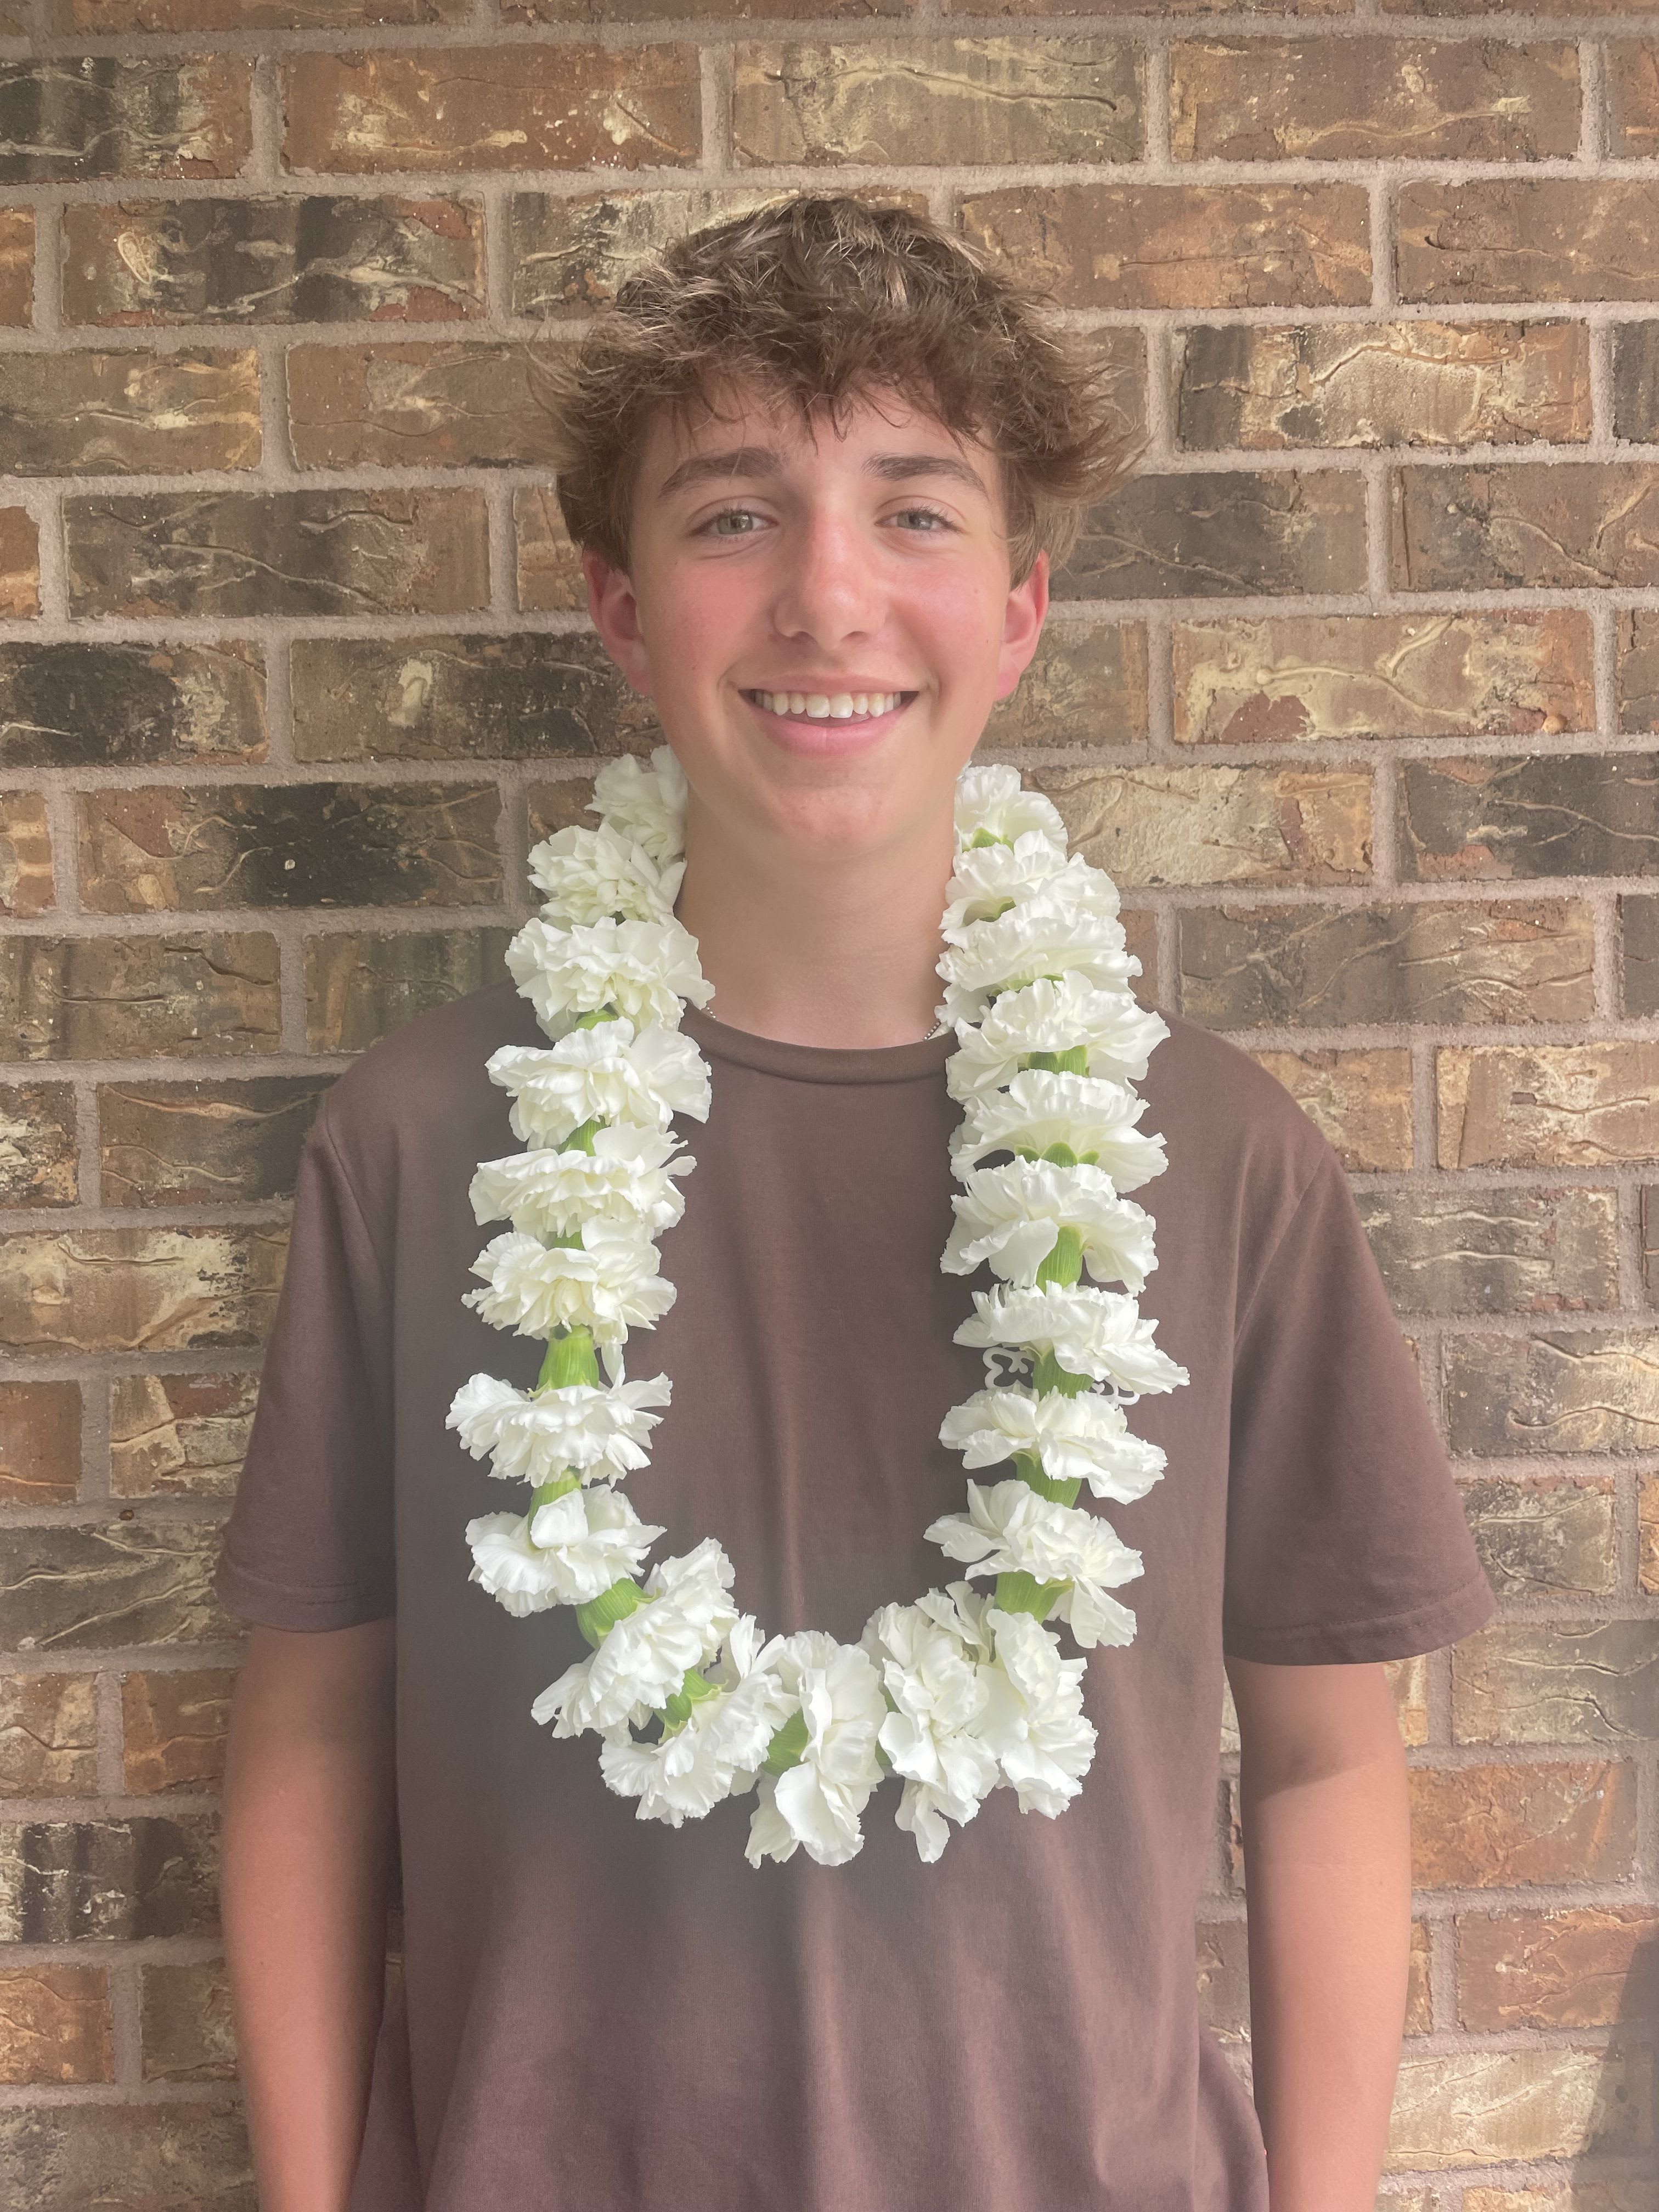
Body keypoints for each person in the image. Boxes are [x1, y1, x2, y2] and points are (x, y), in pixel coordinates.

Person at [213, 194, 1495, 2212]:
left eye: (914, 511)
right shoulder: (423, 1141)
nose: (827, 596)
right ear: (622, 608)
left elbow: (1331, 1765)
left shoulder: (1221, 1163)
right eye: (732, 515)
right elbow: (308, 1744)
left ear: (1020, 609)